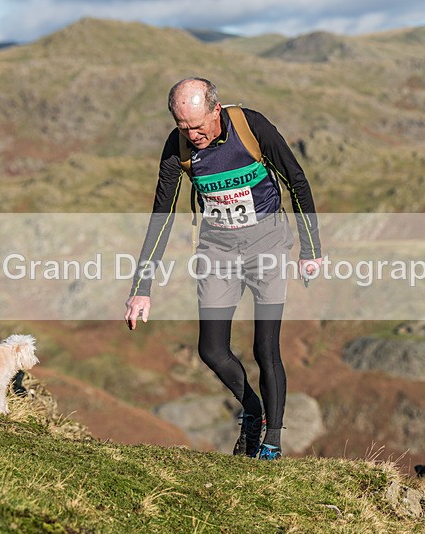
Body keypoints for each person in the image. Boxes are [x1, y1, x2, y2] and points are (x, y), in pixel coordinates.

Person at [125, 78, 323, 460]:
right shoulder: (177, 147)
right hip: (218, 251)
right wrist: (141, 288)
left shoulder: (251, 126)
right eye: (183, 127)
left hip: (267, 244)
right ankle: (252, 410)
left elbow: (296, 181)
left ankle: (271, 444)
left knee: (265, 348)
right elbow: (161, 215)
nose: (192, 135)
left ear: (216, 109)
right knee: (211, 350)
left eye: (198, 126)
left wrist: (311, 249)